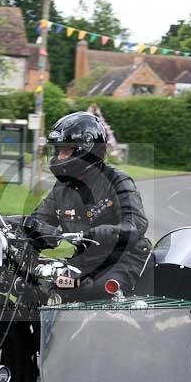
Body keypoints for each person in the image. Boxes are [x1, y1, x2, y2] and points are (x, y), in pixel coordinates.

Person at [31, 111, 152, 300]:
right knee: (44, 287)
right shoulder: (61, 188)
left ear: (87, 150)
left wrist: (105, 232)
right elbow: (39, 219)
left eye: (66, 150)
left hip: (125, 258)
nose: (59, 157)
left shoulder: (117, 180)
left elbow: (137, 223)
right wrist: (18, 227)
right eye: (58, 151)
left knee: (99, 290)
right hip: (86, 258)